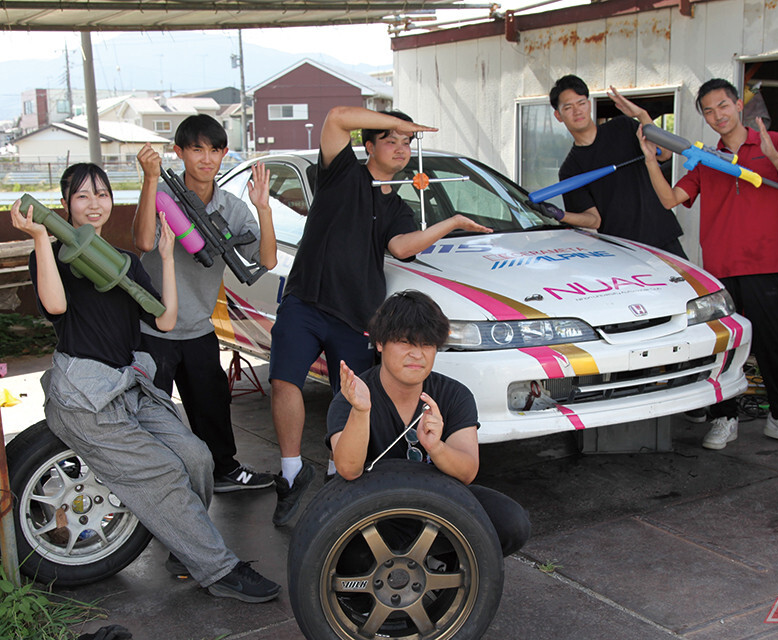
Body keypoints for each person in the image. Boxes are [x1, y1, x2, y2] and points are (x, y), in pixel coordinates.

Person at [11, 164, 280, 602]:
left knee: (196, 456)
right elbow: (56, 306)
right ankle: (219, 569)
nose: (94, 203)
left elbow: (165, 318)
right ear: (65, 205)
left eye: (101, 194)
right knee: (162, 471)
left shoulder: (127, 262)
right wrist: (41, 236)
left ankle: (186, 546)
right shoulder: (55, 254)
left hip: (131, 385)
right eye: (82, 196)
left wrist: (169, 258)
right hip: (85, 395)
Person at [269, 107, 492, 526]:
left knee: (350, 397)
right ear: (367, 145)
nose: (402, 147)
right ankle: (291, 472)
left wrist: (452, 223)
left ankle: (340, 477)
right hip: (306, 299)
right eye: (391, 139)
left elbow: (403, 246)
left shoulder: (399, 204)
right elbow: (334, 117)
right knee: (284, 379)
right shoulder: (343, 173)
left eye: (407, 142)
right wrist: (403, 121)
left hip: (356, 315)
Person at [637, 78, 778, 450]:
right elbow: (670, 199)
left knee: (775, 343)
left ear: (738, 106)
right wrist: (653, 161)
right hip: (720, 268)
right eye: (709, 110)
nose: (718, 115)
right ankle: (723, 417)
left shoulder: (774, 141)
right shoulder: (702, 157)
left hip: (767, 260)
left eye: (723, 106)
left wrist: (775, 155)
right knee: (723, 345)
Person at [133, 115, 277, 493]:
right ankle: (153, 483)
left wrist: (263, 207)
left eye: (215, 149)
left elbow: (268, 260)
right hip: (151, 327)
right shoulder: (162, 194)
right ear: (179, 152)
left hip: (197, 326)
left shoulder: (232, 207)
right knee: (150, 411)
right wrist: (150, 179)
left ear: (225, 153)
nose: (207, 158)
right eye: (197, 149)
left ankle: (223, 471)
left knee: (211, 405)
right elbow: (144, 242)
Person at [328, 290, 530, 557]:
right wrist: (361, 411)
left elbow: (467, 472)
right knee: (345, 552)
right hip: (369, 512)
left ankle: (448, 578)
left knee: (510, 522)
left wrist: (437, 447)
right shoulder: (353, 397)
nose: (417, 355)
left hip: (435, 507)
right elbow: (348, 470)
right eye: (404, 343)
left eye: (426, 345)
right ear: (379, 343)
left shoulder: (454, 395)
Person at [542, 74, 686, 257]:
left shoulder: (623, 127)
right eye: (568, 107)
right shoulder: (570, 170)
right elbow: (593, 220)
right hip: (623, 251)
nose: (577, 111)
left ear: (589, 104)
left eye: (581, 103)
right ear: (558, 115)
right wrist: (560, 214)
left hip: (663, 237)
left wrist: (642, 115)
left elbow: (665, 153)